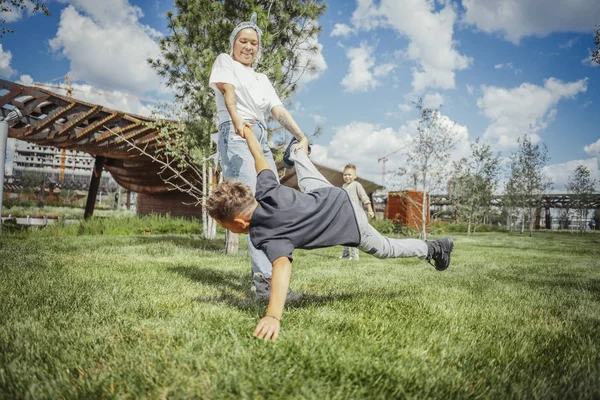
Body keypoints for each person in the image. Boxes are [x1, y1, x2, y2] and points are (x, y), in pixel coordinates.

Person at [204, 126, 455, 342]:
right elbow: (259, 158)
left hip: (350, 221)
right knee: (307, 178)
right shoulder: (266, 190)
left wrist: (272, 316)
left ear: (239, 221)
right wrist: (249, 134)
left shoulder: (269, 235)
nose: (226, 229)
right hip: (331, 194)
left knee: (387, 248)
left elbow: (281, 268)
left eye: (224, 225)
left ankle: (435, 247)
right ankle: (297, 152)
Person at [209, 13, 309, 300]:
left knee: (270, 203)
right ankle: (264, 281)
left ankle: (271, 278)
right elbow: (228, 91)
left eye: (254, 43)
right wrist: (237, 120)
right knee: (252, 205)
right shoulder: (225, 62)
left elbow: (277, 109)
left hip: (261, 134)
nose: (249, 47)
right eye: (243, 41)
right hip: (237, 131)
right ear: (234, 43)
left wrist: (300, 134)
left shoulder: (262, 78)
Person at [340, 164, 375, 261]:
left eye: (349, 175)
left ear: (355, 176)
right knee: (345, 236)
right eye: (345, 174)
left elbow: (365, 198)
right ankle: (346, 255)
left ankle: (355, 256)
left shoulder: (357, 185)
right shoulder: (343, 186)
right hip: (346, 215)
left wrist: (370, 210)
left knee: (354, 236)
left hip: (356, 215)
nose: (347, 177)